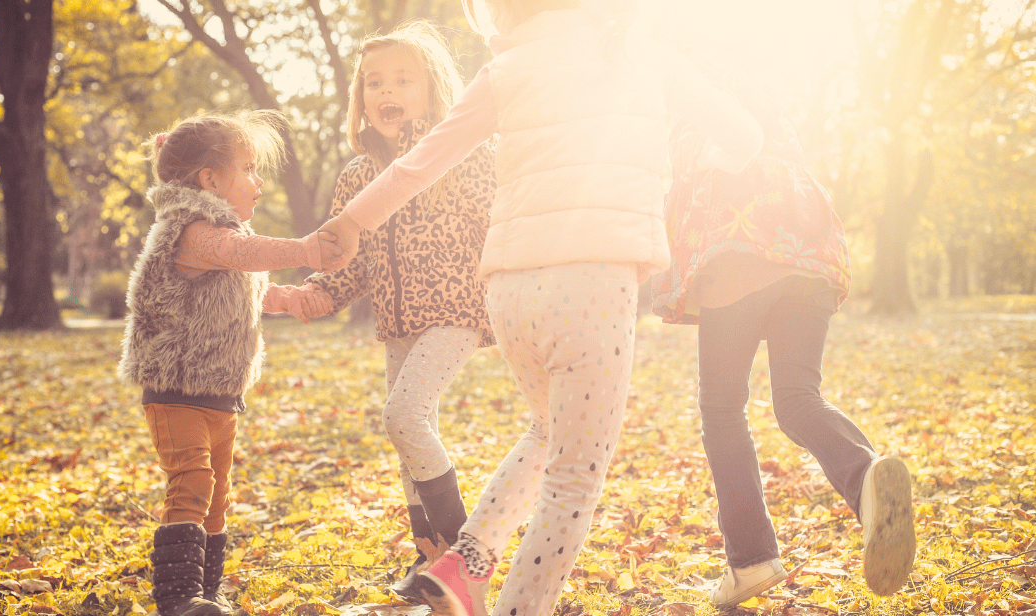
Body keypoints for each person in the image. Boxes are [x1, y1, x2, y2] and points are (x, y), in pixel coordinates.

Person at [312, 2, 765, 615]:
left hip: (509, 286)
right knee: (574, 477)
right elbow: (744, 136)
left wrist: (350, 222)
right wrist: (701, 163)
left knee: (547, 429)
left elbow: (420, 163)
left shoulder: (506, 69)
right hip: (594, 281)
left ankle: (464, 564)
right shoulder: (640, 52)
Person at [651, 75, 916, 608]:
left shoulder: (695, 95)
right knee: (797, 399)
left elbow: (726, 154)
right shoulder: (769, 98)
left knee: (722, 409)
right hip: (810, 259)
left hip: (742, 255)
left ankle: (751, 560)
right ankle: (867, 478)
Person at [300, 21, 497, 599]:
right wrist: (319, 292)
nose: (386, 91)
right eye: (374, 82)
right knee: (411, 436)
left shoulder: (463, 157)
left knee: (404, 417)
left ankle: (464, 559)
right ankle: (429, 556)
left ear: (434, 90)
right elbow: (352, 262)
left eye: (403, 80)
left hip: (457, 309)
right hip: (397, 321)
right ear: (359, 98)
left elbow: (498, 223)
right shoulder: (358, 176)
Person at [118, 110, 338, 616]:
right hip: (177, 390)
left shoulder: (223, 236)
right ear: (210, 180)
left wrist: (290, 299)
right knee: (192, 483)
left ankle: (207, 592)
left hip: (220, 392)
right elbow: (243, 255)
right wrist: (305, 249)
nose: (259, 182)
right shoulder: (189, 230)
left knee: (217, 494)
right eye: (249, 168)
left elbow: (249, 285)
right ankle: (177, 597)